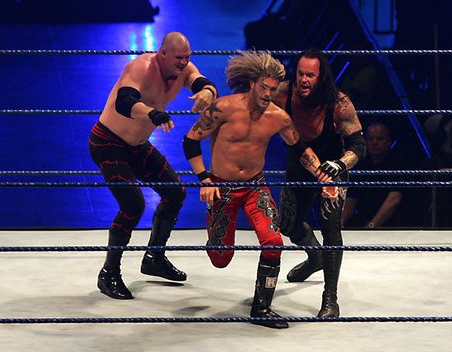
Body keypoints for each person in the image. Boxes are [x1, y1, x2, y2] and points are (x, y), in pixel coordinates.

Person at [182, 51, 329, 329]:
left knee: (274, 242)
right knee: (220, 258)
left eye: (274, 90)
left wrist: (323, 176)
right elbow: (190, 142)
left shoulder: (278, 117)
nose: (269, 95)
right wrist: (204, 180)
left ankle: (261, 308)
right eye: (264, 87)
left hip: (254, 188)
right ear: (252, 83)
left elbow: (299, 148)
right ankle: (216, 239)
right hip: (221, 187)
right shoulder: (222, 108)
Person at [88, 32, 217, 300]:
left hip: (137, 146)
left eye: (187, 58)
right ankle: (109, 273)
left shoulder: (184, 68)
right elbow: (125, 102)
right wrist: (151, 113)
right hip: (108, 142)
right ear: (163, 54)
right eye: (179, 58)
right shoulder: (142, 68)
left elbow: (203, 82)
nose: (184, 63)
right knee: (133, 205)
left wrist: (207, 93)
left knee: (175, 193)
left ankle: (154, 257)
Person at [273, 48, 365, 317]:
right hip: (299, 163)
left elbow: (359, 145)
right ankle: (316, 257)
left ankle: (330, 300)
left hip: (331, 168)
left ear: (320, 76)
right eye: (300, 73)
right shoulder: (283, 93)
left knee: (331, 229)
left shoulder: (339, 103)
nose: (303, 80)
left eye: (310, 75)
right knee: (288, 225)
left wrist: (339, 164)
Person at [342, 122, 404, 228]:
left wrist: (372, 225)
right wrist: (340, 222)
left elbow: (394, 199)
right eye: (370, 139)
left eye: (380, 139)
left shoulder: (397, 164)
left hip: (393, 224)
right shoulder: (361, 165)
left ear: (389, 141)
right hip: (363, 222)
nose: (374, 142)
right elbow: (351, 200)